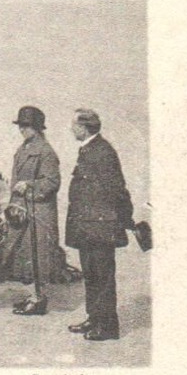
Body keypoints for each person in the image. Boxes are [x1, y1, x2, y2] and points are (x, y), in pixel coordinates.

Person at [65, 108, 134, 341]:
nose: (71, 128)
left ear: (83, 128)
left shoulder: (102, 152)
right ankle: (94, 318)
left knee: (102, 276)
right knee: (92, 275)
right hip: (89, 226)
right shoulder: (89, 150)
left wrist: (125, 218)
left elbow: (117, 189)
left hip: (101, 226)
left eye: (74, 124)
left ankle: (107, 327)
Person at [5, 105, 69, 316]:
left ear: (37, 127)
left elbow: (52, 182)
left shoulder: (45, 151)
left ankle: (40, 299)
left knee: (40, 255)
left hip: (39, 211)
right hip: (24, 209)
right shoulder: (24, 148)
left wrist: (30, 185)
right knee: (26, 254)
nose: (22, 129)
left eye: (26, 126)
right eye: (20, 125)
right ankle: (34, 295)